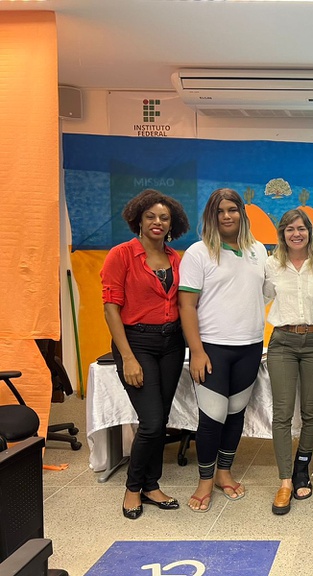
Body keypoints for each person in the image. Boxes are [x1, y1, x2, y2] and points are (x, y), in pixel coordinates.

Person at [101, 188, 190, 520]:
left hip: (172, 344)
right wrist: (127, 357)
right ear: (138, 219)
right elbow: (111, 308)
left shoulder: (176, 259)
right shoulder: (121, 255)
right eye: (150, 216)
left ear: (172, 224)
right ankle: (133, 487)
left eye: (164, 218)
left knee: (161, 420)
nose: (157, 222)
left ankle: (152, 486)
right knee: (151, 423)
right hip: (136, 343)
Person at [179, 188, 268, 513]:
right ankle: (205, 480)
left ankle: (224, 473)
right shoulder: (198, 253)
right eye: (220, 211)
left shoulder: (258, 250)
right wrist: (197, 351)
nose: (227, 216)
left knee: (235, 413)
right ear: (211, 216)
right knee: (212, 416)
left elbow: (263, 292)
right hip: (213, 348)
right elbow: (186, 306)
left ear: (242, 214)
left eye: (232, 209)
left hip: (250, 347)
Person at [265, 208, 313, 515]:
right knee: (282, 413)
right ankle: (285, 481)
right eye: (290, 229)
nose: (296, 233)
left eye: (301, 228)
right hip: (283, 342)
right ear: (282, 233)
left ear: (309, 231)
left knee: (311, 411)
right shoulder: (271, 264)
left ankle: (301, 468)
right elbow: (262, 297)